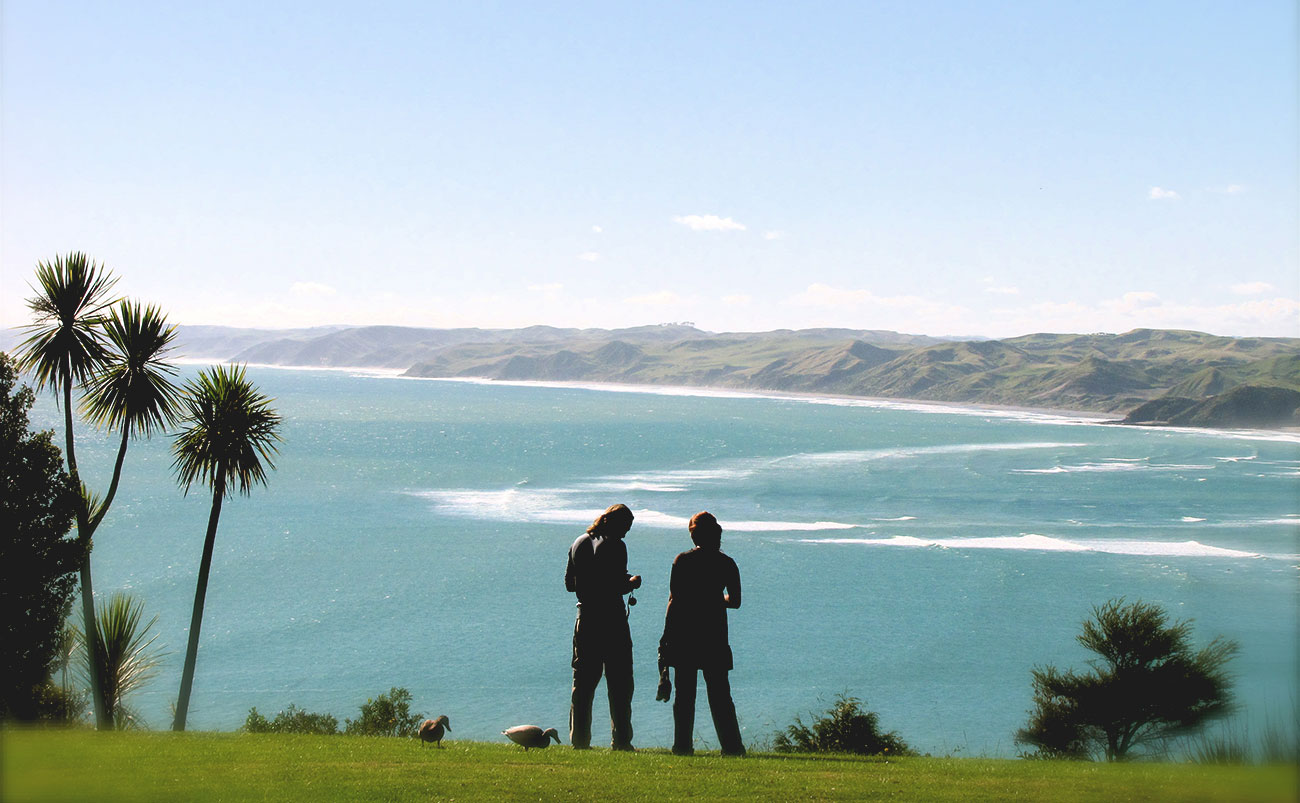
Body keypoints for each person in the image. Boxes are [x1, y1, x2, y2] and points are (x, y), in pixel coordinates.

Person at [655, 511, 745, 756]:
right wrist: (715, 599)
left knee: (685, 696)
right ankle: (732, 747)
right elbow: (735, 601)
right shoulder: (727, 563)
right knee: (720, 695)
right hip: (714, 634)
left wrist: (666, 636)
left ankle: (682, 746)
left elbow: (674, 599)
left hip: (686, 633)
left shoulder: (682, 561)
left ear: (693, 534)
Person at [566, 503, 642, 750]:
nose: (626, 533)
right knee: (620, 682)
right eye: (625, 527)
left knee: (583, 683)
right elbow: (617, 586)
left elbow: (569, 584)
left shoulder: (578, 542)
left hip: (585, 617)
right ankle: (621, 741)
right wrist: (632, 582)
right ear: (613, 522)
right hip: (611, 619)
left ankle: (579, 740)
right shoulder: (615, 545)